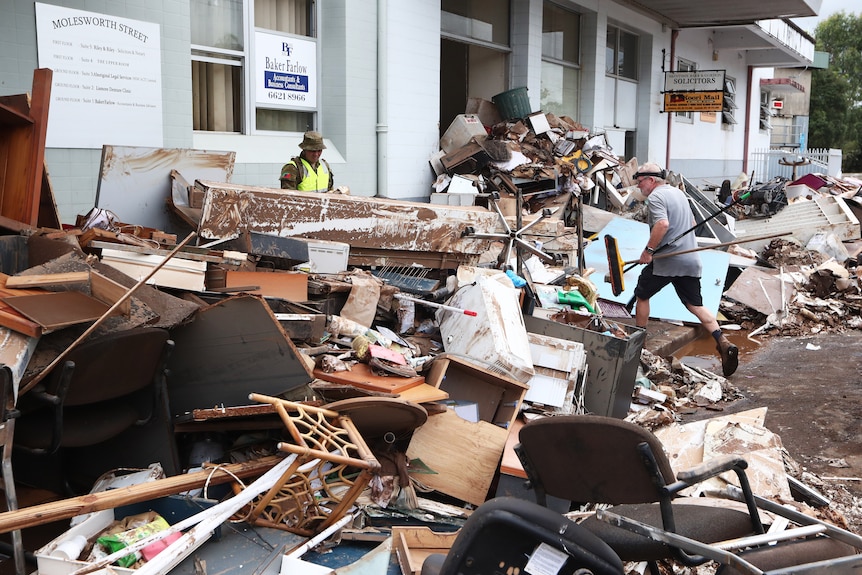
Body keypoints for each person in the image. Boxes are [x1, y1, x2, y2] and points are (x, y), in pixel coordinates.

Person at [632, 162, 738, 377]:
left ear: (651, 180)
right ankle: (723, 341)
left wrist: (648, 251)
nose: (638, 185)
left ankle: (639, 349)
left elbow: (662, 224)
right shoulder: (678, 194)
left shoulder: (655, 197)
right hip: (690, 258)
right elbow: (690, 221)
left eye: (640, 180)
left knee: (641, 296)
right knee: (695, 305)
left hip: (666, 260)